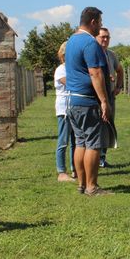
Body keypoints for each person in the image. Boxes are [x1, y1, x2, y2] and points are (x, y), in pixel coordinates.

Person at [65, 6, 113, 196]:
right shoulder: (90, 43)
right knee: (93, 143)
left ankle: (82, 184)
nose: (100, 25)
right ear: (93, 22)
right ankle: (92, 187)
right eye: (100, 22)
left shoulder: (71, 41)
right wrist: (104, 100)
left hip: (72, 100)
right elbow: (95, 72)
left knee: (80, 143)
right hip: (87, 101)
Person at [95, 27, 123, 168]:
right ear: (96, 38)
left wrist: (118, 86)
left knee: (108, 126)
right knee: (96, 127)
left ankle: (102, 158)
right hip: (95, 98)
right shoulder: (92, 54)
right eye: (102, 37)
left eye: (107, 37)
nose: (105, 39)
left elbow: (120, 70)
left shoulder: (111, 55)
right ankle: (94, 158)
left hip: (110, 97)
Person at [54, 41, 76, 182]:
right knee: (63, 141)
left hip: (75, 108)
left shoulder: (75, 69)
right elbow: (72, 84)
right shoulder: (61, 69)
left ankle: (75, 169)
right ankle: (61, 172)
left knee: (76, 141)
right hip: (64, 109)